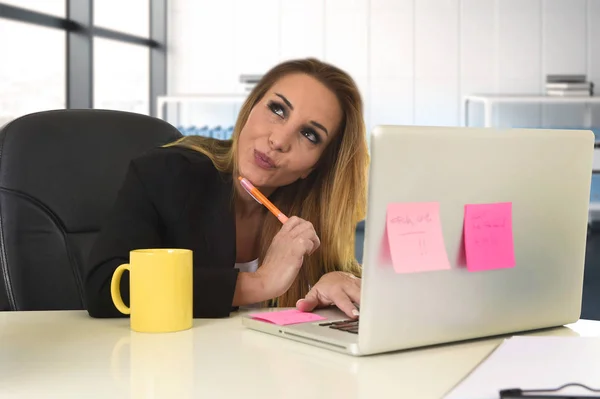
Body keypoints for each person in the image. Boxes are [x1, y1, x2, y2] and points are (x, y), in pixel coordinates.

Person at [84, 58, 369, 320]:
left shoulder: (312, 213)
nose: (279, 140)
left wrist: (333, 283)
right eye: (277, 109)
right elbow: (107, 288)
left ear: (315, 166)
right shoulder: (167, 173)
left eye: (309, 134)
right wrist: (259, 283)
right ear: (250, 109)